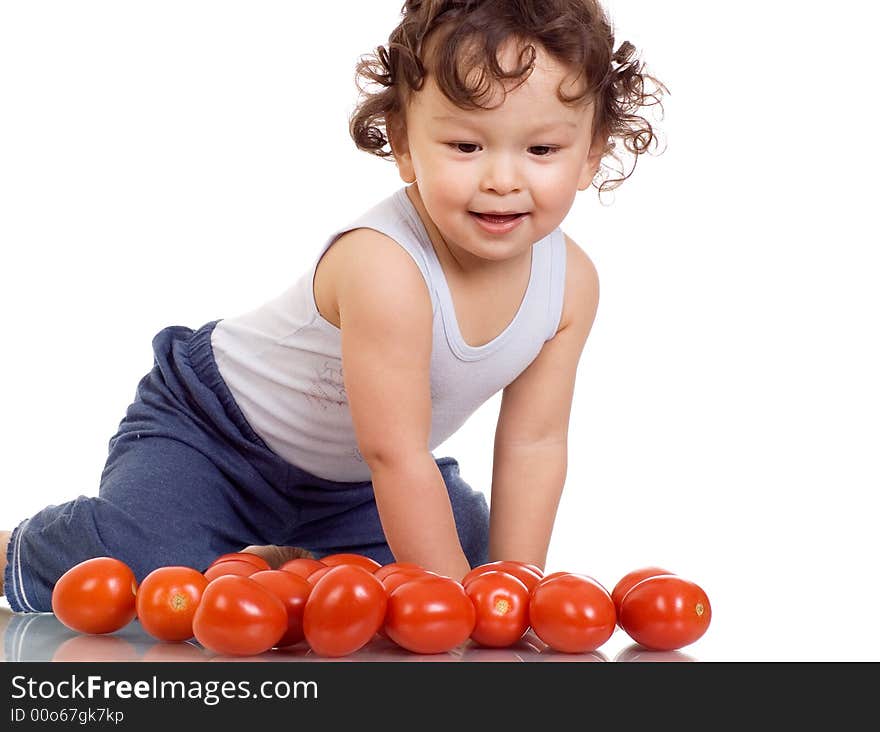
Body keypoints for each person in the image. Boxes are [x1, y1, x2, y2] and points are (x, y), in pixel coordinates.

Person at [1, 0, 667, 613]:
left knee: (469, 537)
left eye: (542, 150)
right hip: (214, 436)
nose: (501, 178)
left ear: (591, 155)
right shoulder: (385, 266)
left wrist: (513, 591)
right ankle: (20, 552)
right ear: (404, 145)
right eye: (465, 145)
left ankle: (278, 557)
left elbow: (534, 441)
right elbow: (397, 455)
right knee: (150, 569)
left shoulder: (570, 283)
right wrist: (454, 616)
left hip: (348, 482)